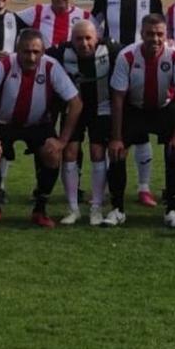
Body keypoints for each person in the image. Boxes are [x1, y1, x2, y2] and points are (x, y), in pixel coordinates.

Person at [0, 28, 81, 228]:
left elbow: (76, 102)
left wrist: (62, 141)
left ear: (43, 51)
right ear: (17, 50)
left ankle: (40, 209)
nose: (31, 57)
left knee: (53, 154)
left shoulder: (51, 66)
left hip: (38, 124)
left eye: (36, 52)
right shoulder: (4, 65)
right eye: (26, 51)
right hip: (3, 123)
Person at [91, 0, 164, 207]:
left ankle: (144, 188)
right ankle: (112, 185)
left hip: (141, 69)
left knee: (141, 128)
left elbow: (159, 31)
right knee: (115, 129)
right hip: (110, 69)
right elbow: (92, 28)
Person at [108, 14, 175, 228]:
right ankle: (117, 208)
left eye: (159, 34)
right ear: (141, 34)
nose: (154, 39)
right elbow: (117, 97)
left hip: (165, 108)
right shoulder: (126, 56)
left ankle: (172, 210)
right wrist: (116, 137)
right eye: (149, 34)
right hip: (134, 108)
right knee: (117, 153)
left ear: (166, 35)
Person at [48, 20, 121, 226]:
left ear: (97, 38)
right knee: (69, 153)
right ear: (71, 40)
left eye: (88, 38)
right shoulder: (61, 52)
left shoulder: (112, 49)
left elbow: (132, 54)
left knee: (97, 153)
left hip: (102, 108)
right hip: (73, 109)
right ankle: (73, 208)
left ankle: (96, 208)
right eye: (79, 39)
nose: (84, 43)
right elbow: (37, 55)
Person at [18, 0, 91, 47]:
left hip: (69, 58)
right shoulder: (38, 11)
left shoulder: (84, 16)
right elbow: (10, 18)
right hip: (44, 57)